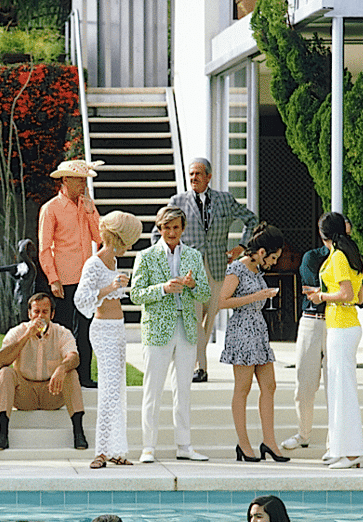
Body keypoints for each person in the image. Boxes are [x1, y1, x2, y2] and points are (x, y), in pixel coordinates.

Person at [152, 158, 258, 383]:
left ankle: (188, 357)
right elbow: (157, 231)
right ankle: (200, 367)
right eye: (191, 174)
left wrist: (242, 246)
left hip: (218, 267)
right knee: (193, 317)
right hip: (189, 269)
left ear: (209, 177)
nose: (194, 178)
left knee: (209, 320)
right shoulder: (177, 200)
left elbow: (252, 220)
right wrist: (166, 258)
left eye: (198, 174)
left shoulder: (225, 200)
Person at [281, 218, 363, 454]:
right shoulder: (314, 258)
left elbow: (359, 298)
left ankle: (333, 444)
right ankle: (303, 433)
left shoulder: (350, 257)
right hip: (314, 322)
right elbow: (315, 287)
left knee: (335, 386)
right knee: (305, 384)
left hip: (339, 323)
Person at [131, 205, 211, 463]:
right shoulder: (146, 256)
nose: (171, 232)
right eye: (166, 227)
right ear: (159, 228)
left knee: (183, 390)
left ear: (183, 229)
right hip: (157, 329)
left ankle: (184, 445)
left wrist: (192, 284)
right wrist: (163, 288)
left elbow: (206, 295)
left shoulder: (194, 256)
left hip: (186, 328)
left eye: (176, 227)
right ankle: (148, 447)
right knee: (153, 389)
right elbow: (135, 294)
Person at [74, 211, 142, 468]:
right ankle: (100, 451)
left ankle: (116, 449)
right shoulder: (95, 263)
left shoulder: (112, 262)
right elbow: (82, 298)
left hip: (117, 328)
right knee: (109, 390)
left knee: (117, 389)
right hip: (103, 329)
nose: (131, 247)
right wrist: (112, 288)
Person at [219, 223, 289, 463]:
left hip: (258, 331)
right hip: (242, 331)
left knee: (269, 386)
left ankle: (269, 442)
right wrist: (256, 297)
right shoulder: (236, 269)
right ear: (261, 252)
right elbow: (222, 301)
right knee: (243, 388)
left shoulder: (257, 270)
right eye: (273, 257)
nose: (274, 262)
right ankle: (244, 444)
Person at [301, 212, 363, 469]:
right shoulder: (349, 255)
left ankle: (352, 453)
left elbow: (346, 293)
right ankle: (341, 449)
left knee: (343, 391)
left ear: (322, 233)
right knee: (339, 390)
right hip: (344, 325)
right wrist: (326, 294)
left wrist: (321, 297)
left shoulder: (339, 257)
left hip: (341, 327)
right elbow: (358, 297)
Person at [38, 159, 104, 388]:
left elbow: (100, 238)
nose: (83, 185)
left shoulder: (87, 205)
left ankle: (84, 377)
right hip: (64, 279)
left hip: (86, 278)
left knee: (86, 329)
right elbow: (44, 248)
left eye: (85, 180)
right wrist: (53, 279)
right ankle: (59, 376)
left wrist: (91, 213)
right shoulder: (51, 208)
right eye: (79, 180)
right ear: (65, 180)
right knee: (63, 330)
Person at [0, 293, 88, 452]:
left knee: (71, 373)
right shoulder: (17, 331)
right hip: (25, 394)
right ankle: (2, 433)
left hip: (52, 391)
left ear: (52, 314)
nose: (40, 316)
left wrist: (62, 368)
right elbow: (1, 361)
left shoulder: (62, 332)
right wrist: (26, 336)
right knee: (5, 373)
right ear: (29, 313)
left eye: (45, 312)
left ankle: (78, 432)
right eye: (36, 311)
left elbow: (74, 357)